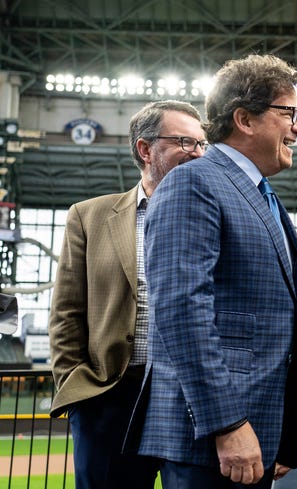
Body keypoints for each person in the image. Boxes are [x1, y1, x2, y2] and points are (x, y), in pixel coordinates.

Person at [123, 54, 297, 489]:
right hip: (212, 436)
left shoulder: (263, 195)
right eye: (290, 114)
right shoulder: (194, 183)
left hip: (255, 430)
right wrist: (227, 423)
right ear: (244, 118)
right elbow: (181, 310)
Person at [48, 99, 206, 489]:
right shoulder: (89, 216)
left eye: (203, 144)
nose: (199, 153)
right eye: (186, 142)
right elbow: (67, 311)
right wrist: (79, 387)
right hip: (110, 398)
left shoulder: (213, 216)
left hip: (190, 399)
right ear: (145, 149)